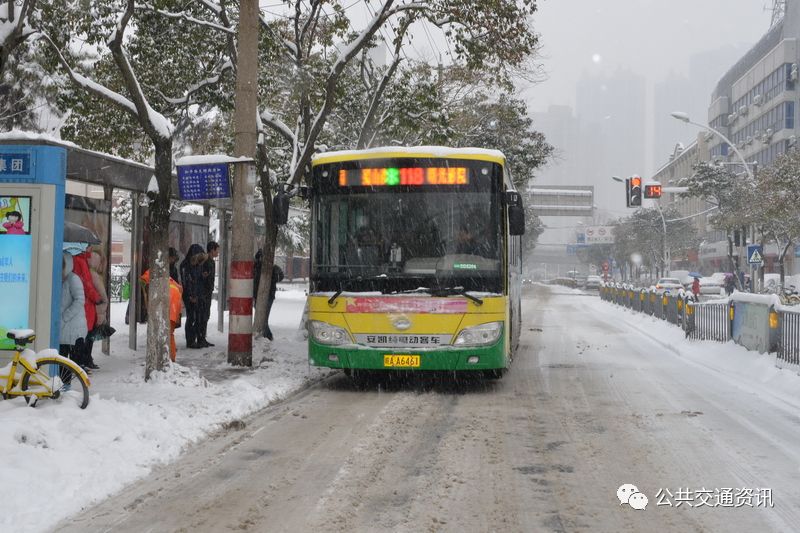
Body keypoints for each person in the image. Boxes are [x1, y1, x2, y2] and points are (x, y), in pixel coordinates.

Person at [140, 268, 183, 362]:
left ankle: (170, 358)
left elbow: (151, 298)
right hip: (175, 302)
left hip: (170, 303)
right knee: (169, 332)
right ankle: (169, 356)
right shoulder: (165, 277)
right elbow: (180, 289)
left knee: (168, 333)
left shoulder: (151, 279)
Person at [72, 247, 101, 370]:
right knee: (85, 336)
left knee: (82, 336)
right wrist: (97, 298)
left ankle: (82, 362)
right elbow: (87, 285)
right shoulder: (81, 261)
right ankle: (81, 363)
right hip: (86, 304)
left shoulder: (77, 260)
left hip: (84, 304)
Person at [60, 253, 88, 369]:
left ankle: (68, 382)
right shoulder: (60, 279)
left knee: (71, 365)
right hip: (64, 329)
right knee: (62, 364)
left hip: (74, 329)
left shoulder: (73, 279)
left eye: (62, 265)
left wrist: (65, 317)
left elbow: (80, 300)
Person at [180, 243, 208, 348]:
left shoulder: (196, 265)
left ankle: (195, 338)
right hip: (190, 296)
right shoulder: (185, 266)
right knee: (191, 317)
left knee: (198, 317)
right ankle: (190, 341)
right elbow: (186, 283)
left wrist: (203, 276)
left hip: (197, 294)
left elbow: (196, 280)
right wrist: (190, 296)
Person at [198, 241, 219, 347]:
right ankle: (200, 338)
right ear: (212, 250)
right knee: (203, 315)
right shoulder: (206, 262)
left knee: (206, 315)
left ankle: (203, 337)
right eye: (217, 250)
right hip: (204, 292)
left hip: (208, 291)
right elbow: (202, 276)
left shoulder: (212, 262)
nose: (218, 252)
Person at [264, 264, 284, 340]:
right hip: (264, 295)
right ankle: (267, 335)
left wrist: (273, 279)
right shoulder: (257, 266)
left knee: (264, 318)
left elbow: (281, 276)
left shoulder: (273, 268)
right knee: (263, 318)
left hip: (269, 295)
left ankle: (268, 336)